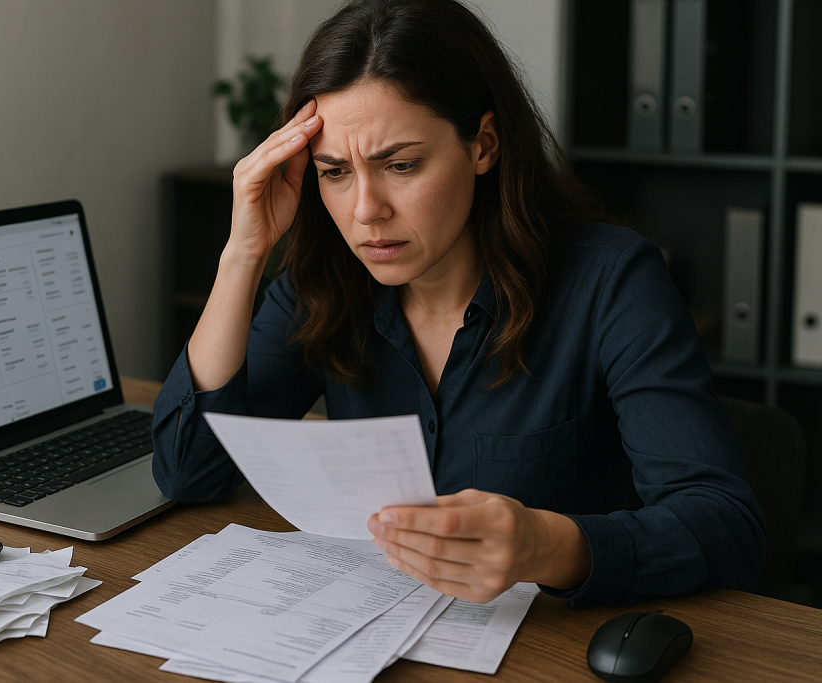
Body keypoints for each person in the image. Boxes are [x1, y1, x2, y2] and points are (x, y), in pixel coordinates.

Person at [152, 0, 766, 608]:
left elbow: (727, 526)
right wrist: (243, 253)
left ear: (483, 145)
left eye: (401, 165)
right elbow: (190, 470)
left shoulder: (611, 281)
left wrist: (548, 545)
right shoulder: (326, 282)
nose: (366, 212)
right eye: (334, 172)